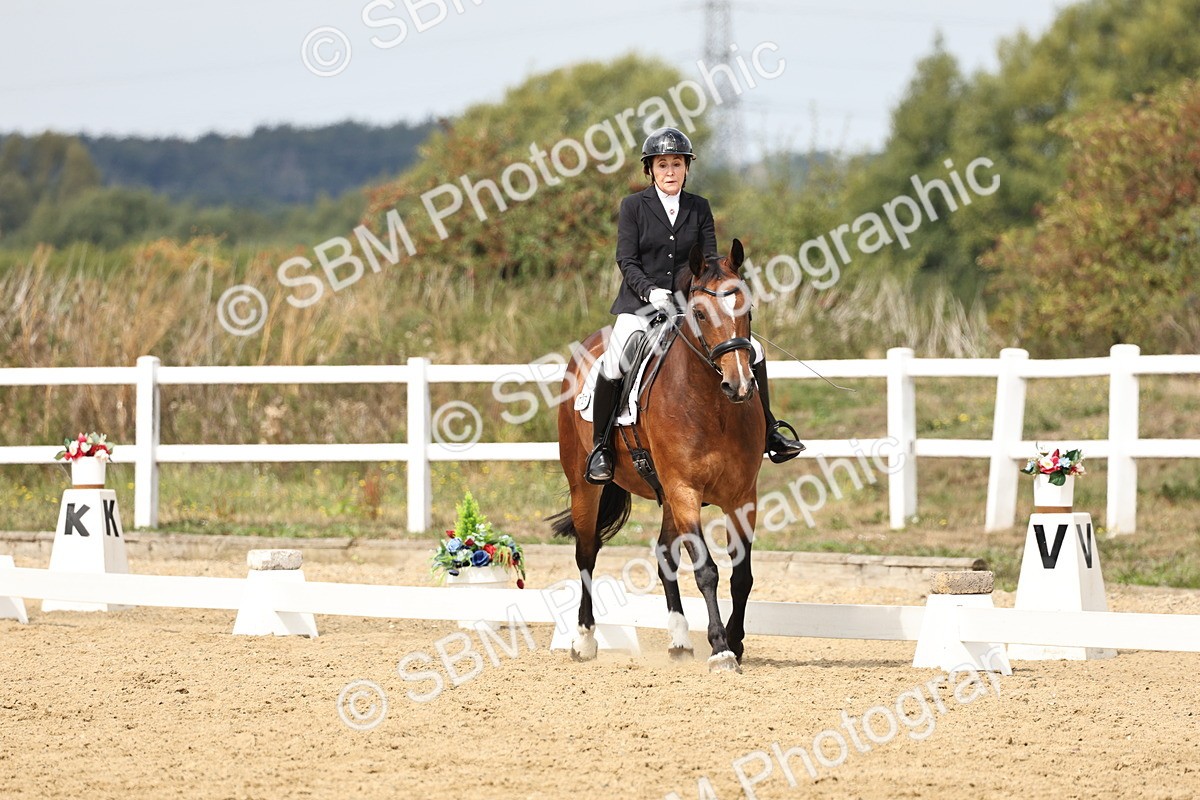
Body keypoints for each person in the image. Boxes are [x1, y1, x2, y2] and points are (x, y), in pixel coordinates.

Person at [585, 127, 805, 484]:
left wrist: (720, 286)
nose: (670, 171)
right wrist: (650, 292)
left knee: (755, 350)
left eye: (676, 164)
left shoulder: (698, 206)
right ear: (650, 171)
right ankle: (601, 448)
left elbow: (708, 258)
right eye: (662, 165)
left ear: (686, 168)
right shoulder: (633, 207)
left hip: (691, 304)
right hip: (641, 304)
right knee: (615, 359)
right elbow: (626, 260)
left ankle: (770, 431)